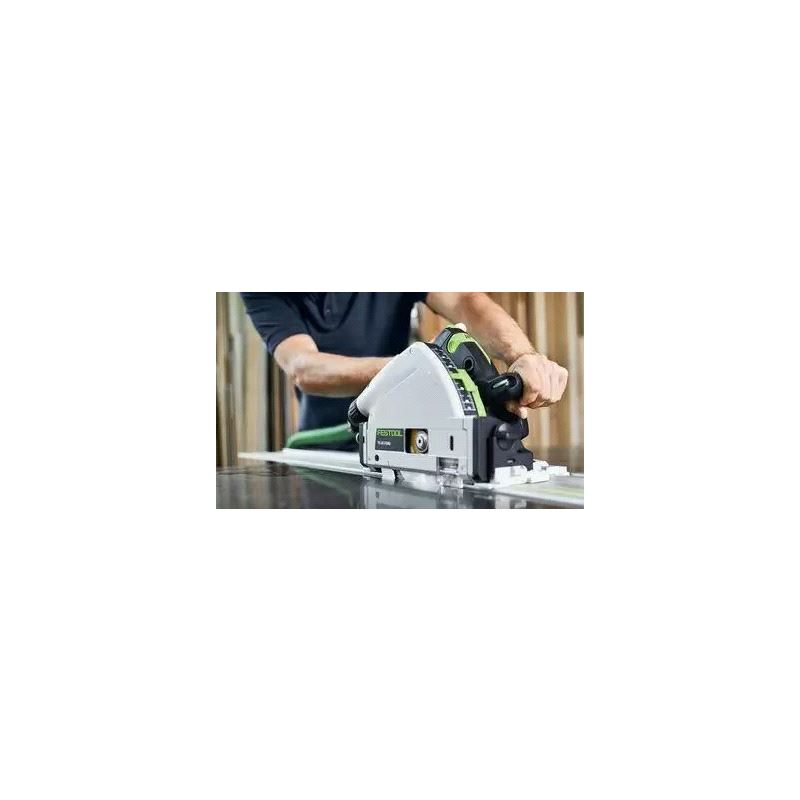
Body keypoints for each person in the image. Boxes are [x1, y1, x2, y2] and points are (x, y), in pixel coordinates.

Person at [242, 292, 568, 446]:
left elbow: (466, 300)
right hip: (323, 445)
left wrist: (521, 354)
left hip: (402, 435)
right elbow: (304, 368)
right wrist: (421, 365)